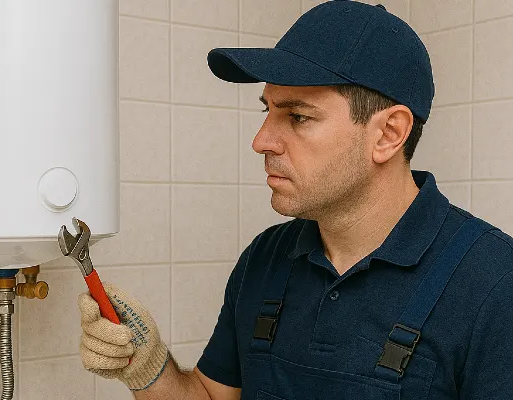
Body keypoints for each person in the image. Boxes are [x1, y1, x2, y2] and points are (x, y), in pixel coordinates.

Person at [77, 1, 513, 399]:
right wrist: (149, 367)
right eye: (266, 110)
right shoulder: (265, 259)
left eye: (298, 116)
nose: (261, 140)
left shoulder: (494, 284)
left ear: (388, 134)